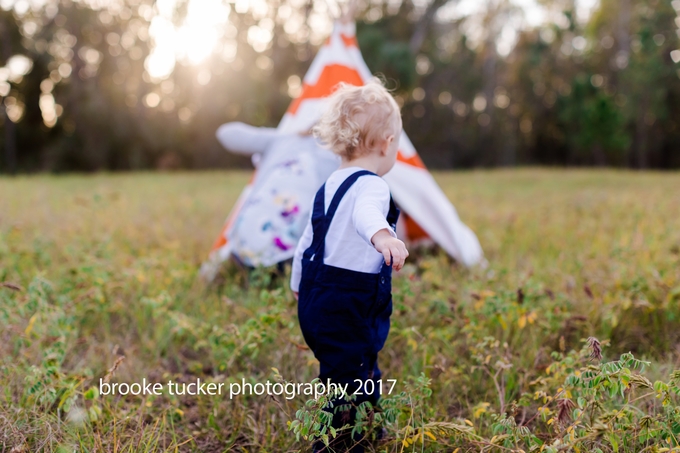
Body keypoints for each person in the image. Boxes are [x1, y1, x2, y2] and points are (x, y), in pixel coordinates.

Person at [290, 79, 409, 452]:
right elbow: (366, 213)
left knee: (350, 368)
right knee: (349, 378)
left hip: (316, 297)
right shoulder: (372, 185)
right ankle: (337, 441)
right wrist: (383, 237)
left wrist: (298, 284)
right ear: (387, 143)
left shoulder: (329, 184)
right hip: (350, 301)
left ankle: (367, 425)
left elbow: (307, 241)